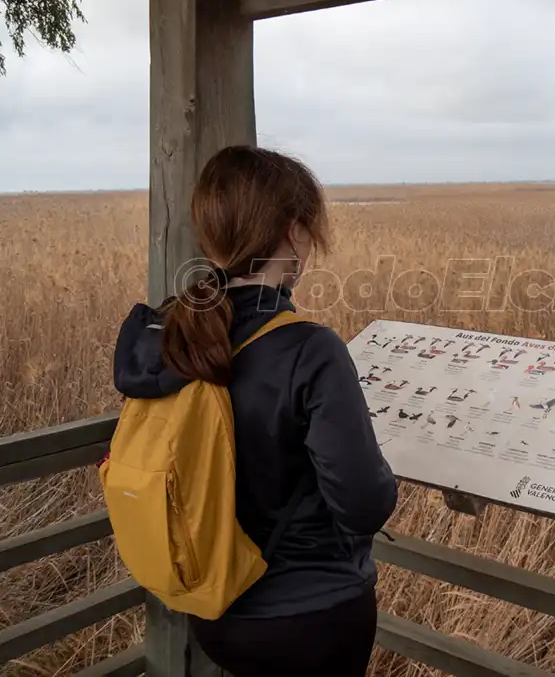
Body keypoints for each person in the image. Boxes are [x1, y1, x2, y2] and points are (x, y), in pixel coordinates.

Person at [112, 145, 398, 676]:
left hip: (216, 612)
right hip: (310, 616)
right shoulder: (309, 349)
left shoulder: (172, 331)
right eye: (309, 230)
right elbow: (363, 505)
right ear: (293, 233)